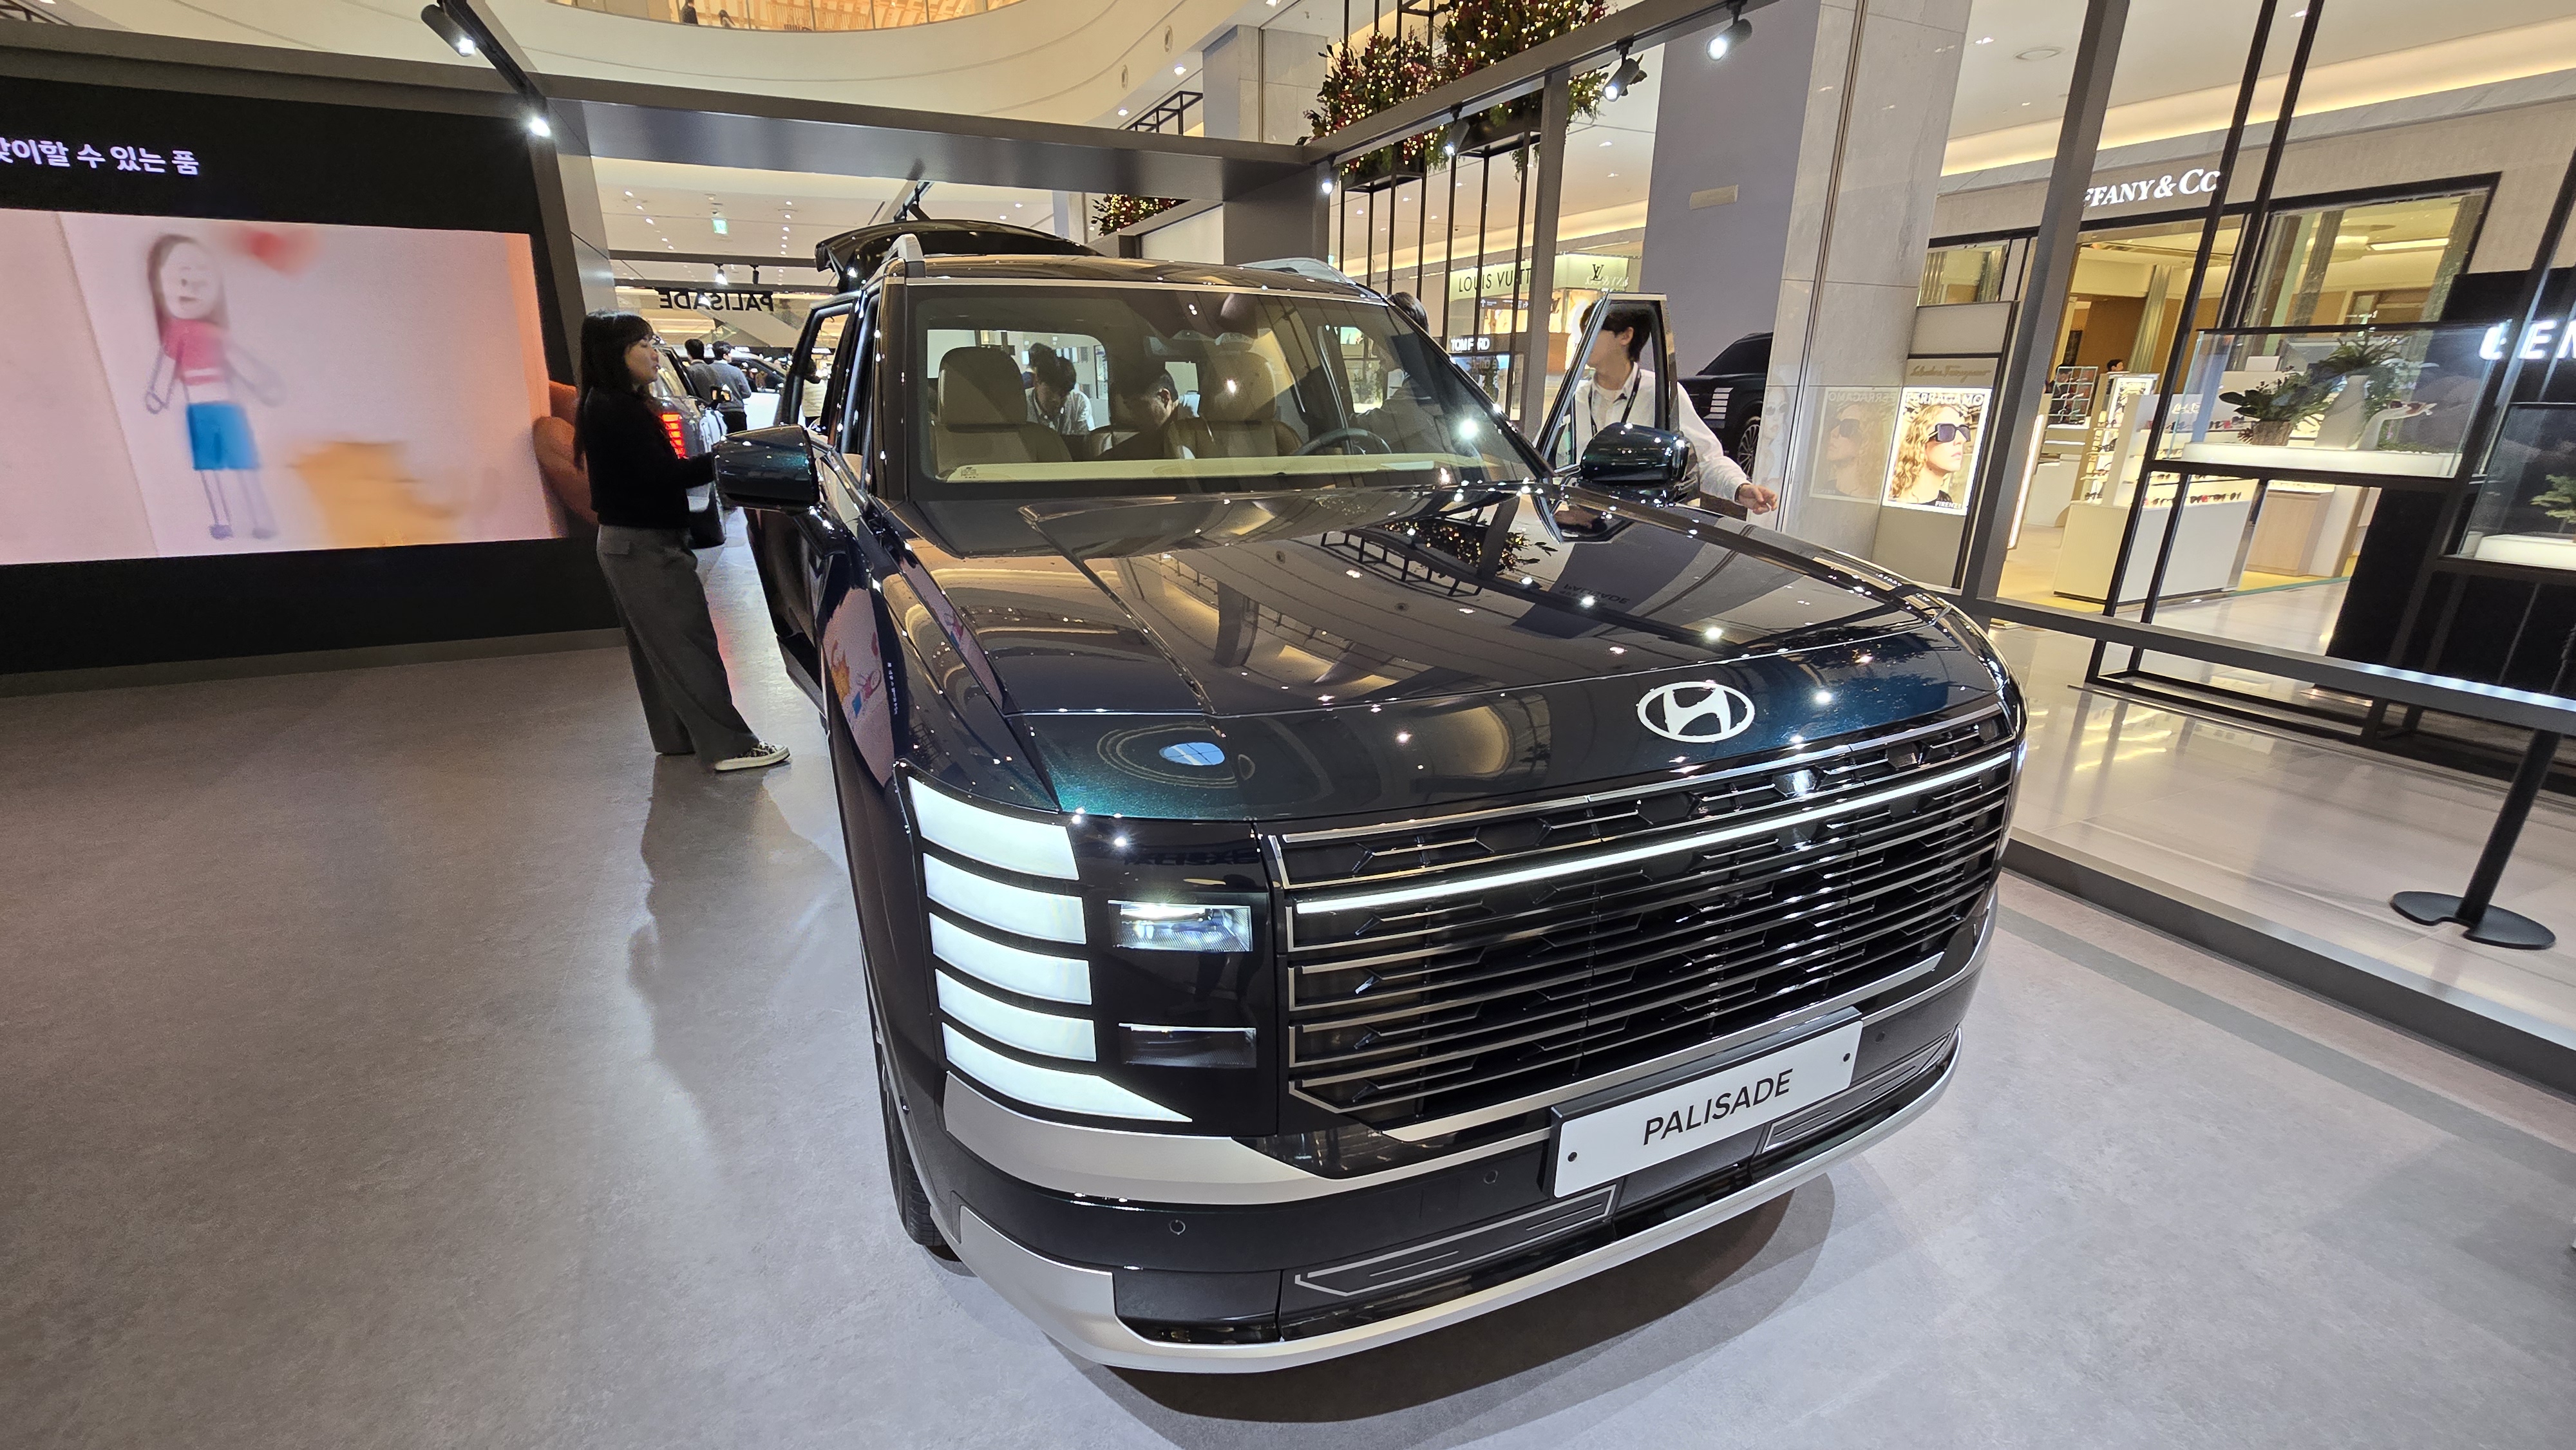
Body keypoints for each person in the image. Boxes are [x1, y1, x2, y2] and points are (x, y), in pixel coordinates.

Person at [576, 311, 786, 773]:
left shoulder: (608, 404)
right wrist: (728, 456)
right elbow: (662, 477)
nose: (655, 354)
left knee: (662, 650)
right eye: (644, 345)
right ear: (615, 354)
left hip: (629, 544)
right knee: (690, 647)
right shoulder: (618, 410)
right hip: (643, 546)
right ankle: (729, 747)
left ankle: (679, 737)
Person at [1569, 301, 1779, 515]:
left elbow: (1705, 460)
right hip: (1580, 521)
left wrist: (1739, 488)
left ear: (1625, 336)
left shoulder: (1660, 394)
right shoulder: (1575, 399)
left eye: (1593, 331)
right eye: (1584, 332)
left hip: (1641, 522)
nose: (1583, 340)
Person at [1886, 400, 1978, 509]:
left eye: (1963, 431)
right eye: (1947, 431)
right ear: (1921, 442)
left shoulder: (1946, 500)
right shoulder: (1898, 504)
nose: (1961, 440)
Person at [1099, 364, 1195, 460]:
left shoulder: (1196, 418)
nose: (1134, 416)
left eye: (1138, 406)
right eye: (1130, 408)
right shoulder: (1155, 434)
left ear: (1164, 398)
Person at [1026, 345, 1093, 434]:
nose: (1057, 400)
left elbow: (1086, 440)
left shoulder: (1078, 403)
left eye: (1063, 395)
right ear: (1037, 382)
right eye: (1052, 391)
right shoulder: (1021, 405)